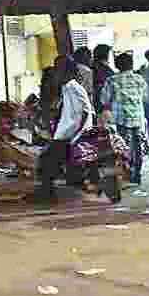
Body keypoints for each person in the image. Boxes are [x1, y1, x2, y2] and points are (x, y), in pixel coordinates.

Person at [33, 56, 94, 201]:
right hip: (67, 133)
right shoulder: (67, 87)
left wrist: (76, 136)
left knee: (46, 160)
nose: (55, 73)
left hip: (71, 135)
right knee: (48, 159)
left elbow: (85, 112)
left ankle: (47, 193)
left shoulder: (73, 87)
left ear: (66, 71)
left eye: (58, 69)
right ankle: (51, 190)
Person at [101, 52, 148, 188]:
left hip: (122, 118)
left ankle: (128, 174)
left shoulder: (112, 80)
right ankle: (137, 175)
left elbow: (104, 99)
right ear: (131, 65)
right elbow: (145, 96)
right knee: (138, 146)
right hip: (138, 117)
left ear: (117, 65)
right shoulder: (139, 79)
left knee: (124, 146)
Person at [87, 44, 115, 114]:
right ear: (106, 56)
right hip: (102, 106)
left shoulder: (90, 66)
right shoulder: (106, 70)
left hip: (92, 105)